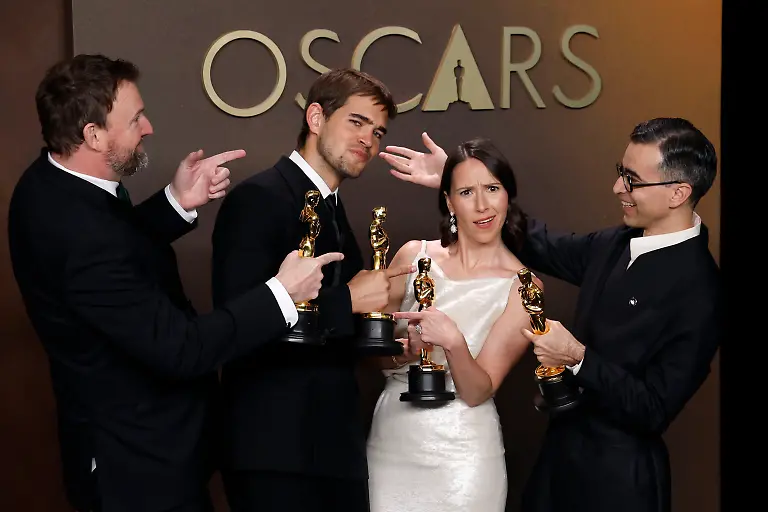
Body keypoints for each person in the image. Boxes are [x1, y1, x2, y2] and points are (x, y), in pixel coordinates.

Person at [7, 54, 341, 512]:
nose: (148, 128)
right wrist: (282, 293)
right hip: (137, 471)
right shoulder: (76, 234)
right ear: (92, 135)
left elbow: (114, 247)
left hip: (150, 453)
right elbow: (181, 348)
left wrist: (175, 202)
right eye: (135, 119)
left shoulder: (54, 181)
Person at [379, 118, 722, 512]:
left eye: (632, 179)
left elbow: (654, 409)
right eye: (619, 173)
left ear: (679, 192)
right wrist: (460, 184)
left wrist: (578, 357)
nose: (617, 188)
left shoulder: (701, 290)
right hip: (557, 469)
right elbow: (536, 241)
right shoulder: (615, 243)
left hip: (618, 486)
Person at [210, 68, 411, 512]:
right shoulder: (258, 199)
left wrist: (396, 341)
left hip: (332, 448)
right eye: (356, 122)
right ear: (316, 118)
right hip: (274, 451)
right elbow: (234, 325)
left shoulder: (334, 211)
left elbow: (340, 331)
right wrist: (351, 301)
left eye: (378, 132)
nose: (369, 141)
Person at [366, 138, 535, 512]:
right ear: (448, 201)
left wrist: (454, 342)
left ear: (508, 195)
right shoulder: (413, 255)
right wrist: (401, 355)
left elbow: (477, 392)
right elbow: (378, 360)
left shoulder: (523, 287)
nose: (482, 205)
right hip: (396, 439)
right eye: (466, 191)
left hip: (467, 454)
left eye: (492, 188)